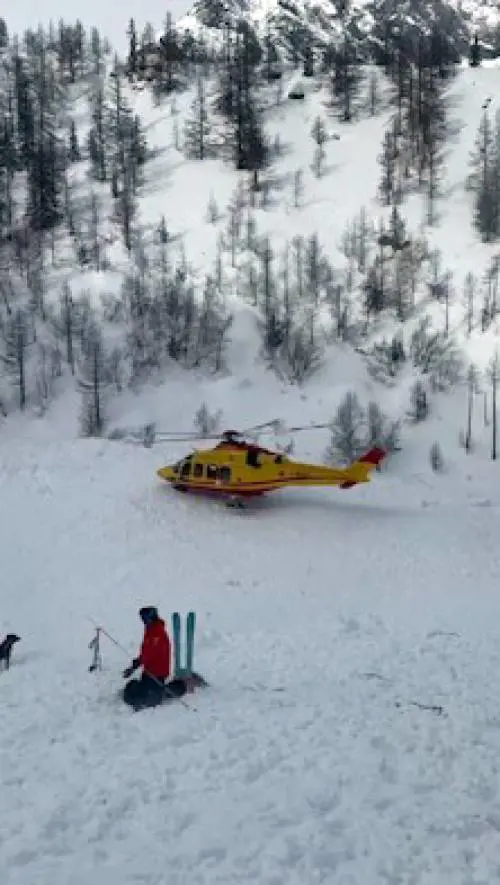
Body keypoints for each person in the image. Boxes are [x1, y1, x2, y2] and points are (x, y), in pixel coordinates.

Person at [122, 606, 171, 711]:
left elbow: (150, 652)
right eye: (142, 618)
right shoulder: (150, 630)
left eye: (145, 618)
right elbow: (146, 651)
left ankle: (173, 689)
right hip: (149, 672)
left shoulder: (157, 633)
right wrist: (136, 664)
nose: (144, 621)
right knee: (132, 692)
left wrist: (138, 663)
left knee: (145, 698)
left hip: (157, 673)